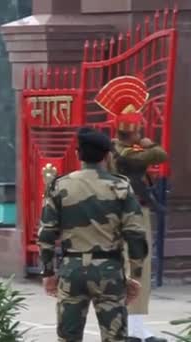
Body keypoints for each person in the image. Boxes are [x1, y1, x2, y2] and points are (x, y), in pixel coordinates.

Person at [38, 126, 148, 342]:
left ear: (78, 155)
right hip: (109, 271)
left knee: (68, 337)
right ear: (107, 156)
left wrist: (48, 273)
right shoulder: (120, 187)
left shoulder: (60, 186)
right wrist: (135, 276)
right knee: (115, 337)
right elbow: (135, 234)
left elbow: (47, 233)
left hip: (72, 270)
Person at [95, 75, 169, 342]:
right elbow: (159, 155)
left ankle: (131, 327)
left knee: (129, 269)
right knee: (137, 268)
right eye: (139, 128)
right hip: (131, 216)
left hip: (118, 216)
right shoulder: (126, 154)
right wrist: (149, 145)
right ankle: (133, 329)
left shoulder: (119, 149)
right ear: (133, 130)